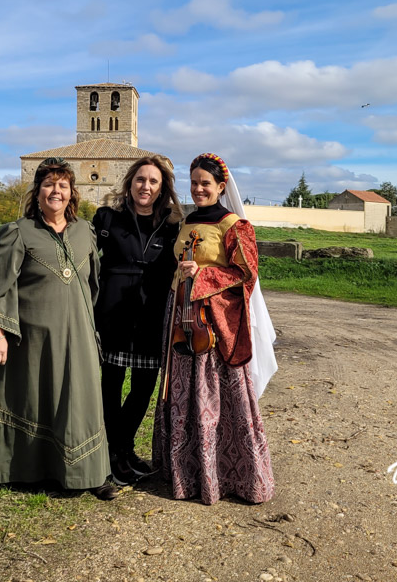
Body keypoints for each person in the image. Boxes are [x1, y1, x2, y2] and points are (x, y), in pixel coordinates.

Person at [0, 157, 117, 500]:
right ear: (37, 192)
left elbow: (93, 284)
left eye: (63, 185)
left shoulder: (85, 231)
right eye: (49, 184)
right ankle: (36, 471)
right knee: (39, 398)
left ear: (72, 194)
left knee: (82, 401)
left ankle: (93, 473)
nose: (56, 191)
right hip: (34, 336)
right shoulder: (18, 232)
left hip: (79, 334)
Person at [153, 153, 277, 505]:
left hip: (213, 321)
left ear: (221, 187)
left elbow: (246, 274)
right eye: (194, 182)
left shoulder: (234, 225)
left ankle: (227, 475)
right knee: (181, 393)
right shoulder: (186, 223)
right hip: (179, 316)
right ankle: (185, 472)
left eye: (205, 183)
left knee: (216, 395)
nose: (198, 188)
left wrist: (203, 275)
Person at [93, 155, 182, 485]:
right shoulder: (106, 217)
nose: (146, 186)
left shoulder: (173, 227)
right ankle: (109, 453)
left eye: (153, 181)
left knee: (144, 387)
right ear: (130, 183)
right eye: (140, 179)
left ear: (162, 189)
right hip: (113, 313)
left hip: (151, 314)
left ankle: (124, 447)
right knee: (111, 384)